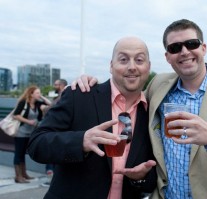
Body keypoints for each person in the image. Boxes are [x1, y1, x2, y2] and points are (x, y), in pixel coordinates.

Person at [74, 19, 207, 199]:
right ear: (167, 56)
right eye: (175, 48)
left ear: (203, 48)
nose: (184, 52)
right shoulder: (158, 85)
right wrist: (91, 84)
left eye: (192, 44)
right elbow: (127, 100)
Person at [27, 37, 157, 199]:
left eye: (139, 60)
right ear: (111, 66)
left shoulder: (152, 113)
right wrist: (81, 141)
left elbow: (153, 175)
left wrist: (141, 178)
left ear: (148, 67)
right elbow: (36, 144)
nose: (132, 67)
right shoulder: (80, 95)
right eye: (123, 60)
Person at [12, 85, 51, 183]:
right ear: (31, 94)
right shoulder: (23, 103)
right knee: (18, 154)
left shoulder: (37, 104)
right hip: (21, 132)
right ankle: (18, 176)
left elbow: (50, 105)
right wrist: (28, 121)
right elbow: (15, 115)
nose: (39, 94)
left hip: (30, 133)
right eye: (37, 93)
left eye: (39, 93)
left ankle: (24, 174)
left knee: (23, 154)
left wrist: (41, 97)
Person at [41, 78, 68, 187]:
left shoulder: (64, 95)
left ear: (61, 85)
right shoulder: (61, 95)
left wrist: (44, 108)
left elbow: (55, 109)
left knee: (51, 156)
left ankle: (52, 180)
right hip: (59, 132)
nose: (54, 86)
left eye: (56, 84)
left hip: (57, 131)